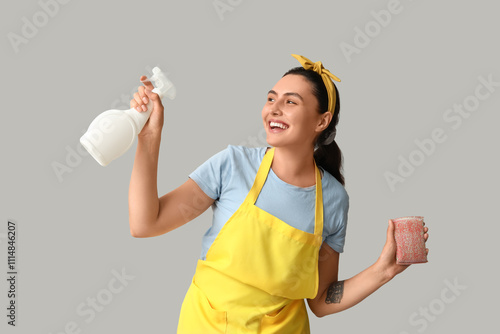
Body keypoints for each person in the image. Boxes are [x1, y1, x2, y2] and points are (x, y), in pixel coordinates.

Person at [128, 54, 430, 333]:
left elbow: (322, 300)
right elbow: (146, 224)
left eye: (290, 102)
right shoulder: (232, 166)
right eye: (271, 98)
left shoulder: (333, 200)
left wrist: (384, 270)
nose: (273, 108)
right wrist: (149, 137)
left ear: (321, 121)